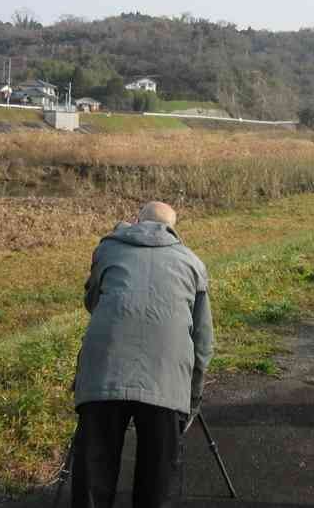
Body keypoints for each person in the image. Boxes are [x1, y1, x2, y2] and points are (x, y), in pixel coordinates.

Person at [71, 201, 214, 508]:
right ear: (174, 229)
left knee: (93, 475)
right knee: (158, 480)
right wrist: (193, 397)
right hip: (166, 377)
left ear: (136, 220)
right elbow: (203, 342)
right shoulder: (192, 263)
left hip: (104, 371)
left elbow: (93, 301)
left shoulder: (108, 249)